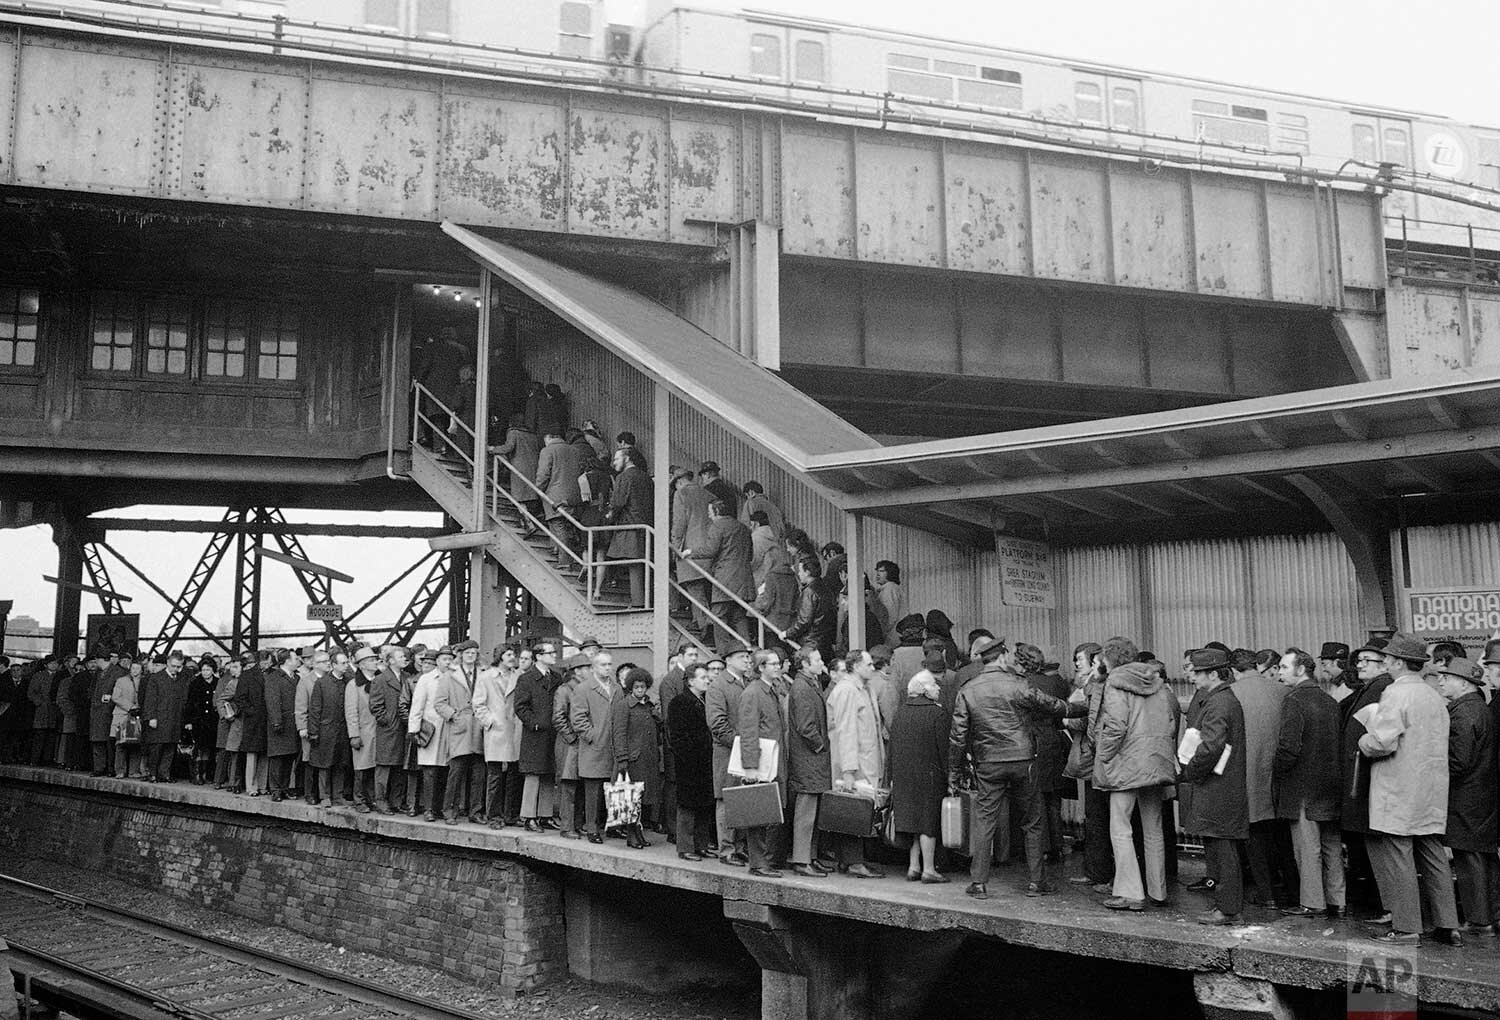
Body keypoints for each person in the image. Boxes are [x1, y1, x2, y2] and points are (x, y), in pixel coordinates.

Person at [948, 637, 1082, 900]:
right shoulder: (1019, 685)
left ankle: (979, 883)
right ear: (1001, 657)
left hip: (988, 763)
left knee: (985, 821)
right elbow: (1056, 707)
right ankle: (1036, 881)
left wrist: (954, 771)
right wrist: (1090, 706)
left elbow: (957, 736)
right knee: (1032, 821)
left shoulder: (968, 689)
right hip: (1023, 760)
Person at [1358, 633, 1462, 946]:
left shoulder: (1395, 693)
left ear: (1400, 662)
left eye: (1388, 658)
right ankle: (1448, 926)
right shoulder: (1433, 695)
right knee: (1433, 854)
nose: (1385, 663)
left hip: (1399, 788)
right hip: (1430, 789)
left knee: (1398, 857)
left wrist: (1364, 741)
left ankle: (1406, 929)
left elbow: (1382, 741)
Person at [1092, 636, 1179, 912]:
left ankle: (1130, 893)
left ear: (1110, 659)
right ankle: (1158, 891)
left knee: (1121, 829)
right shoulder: (1157, 683)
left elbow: (1116, 726)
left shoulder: (1115, 683)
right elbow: (1171, 722)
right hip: (1154, 763)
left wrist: (1105, 755)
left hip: (1126, 765)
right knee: (1153, 830)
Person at [1273, 647, 1346, 918]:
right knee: (1331, 847)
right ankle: (1338, 901)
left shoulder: (1294, 701)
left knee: (1307, 849)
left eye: (1283, 667)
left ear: (1300, 669)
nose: (1279, 673)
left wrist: (1278, 772)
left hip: (1302, 786)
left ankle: (1312, 902)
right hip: (1331, 785)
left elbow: (1288, 747)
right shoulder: (1330, 701)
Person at [1179, 646, 1249, 925]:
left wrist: (1191, 771)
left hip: (1217, 788)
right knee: (1220, 847)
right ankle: (1226, 906)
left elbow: (1210, 747)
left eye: (1197, 673)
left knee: (1223, 849)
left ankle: (1228, 909)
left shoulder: (1218, 703)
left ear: (1213, 674)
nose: (1192, 678)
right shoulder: (1222, 699)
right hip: (1223, 786)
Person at [1433, 657, 1497, 936]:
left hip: (1465, 798)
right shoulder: (1479, 708)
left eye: (1446, 677)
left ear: (1464, 683)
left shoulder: (1463, 713)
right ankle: (1489, 915)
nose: (1441, 681)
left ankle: (1479, 920)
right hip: (1481, 795)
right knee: (1483, 858)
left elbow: (1458, 761)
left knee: (1469, 858)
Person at [1230, 648, 1293, 910]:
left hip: (1247, 777)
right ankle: (1292, 892)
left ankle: (1266, 895)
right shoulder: (1283, 691)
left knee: (1254, 840)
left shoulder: (1231, 694)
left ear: (1234, 671)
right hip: (1280, 778)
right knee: (1283, 840)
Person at [1340, 640, 1395, 918]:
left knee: (1378, 848)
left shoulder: (1381, 689)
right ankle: (1382, 904)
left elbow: (1381, 739)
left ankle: (1387, 906)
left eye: (1367, 660)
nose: (1359, 664)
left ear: (1384, 662)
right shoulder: (1371, 688)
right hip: (1362, 777)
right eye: (1359, 659)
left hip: (1368, 779)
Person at [890, 667, 949, 884]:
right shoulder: (937, 713)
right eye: (934, 684)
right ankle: (929, 869)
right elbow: (944, 749)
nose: (937, 687)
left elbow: (892, 748)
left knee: (913, 822)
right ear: (925, 690)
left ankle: (914, 867)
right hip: (930, 775)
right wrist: (950, 775)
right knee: (928, 822)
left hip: (904, 775)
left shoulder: (901, 712)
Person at [735, 648, 790, 878]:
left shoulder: (772, 689)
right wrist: (750, 766)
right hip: (762, 762)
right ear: (761, 668)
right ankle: (758, 862)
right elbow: (748, 731)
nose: (778, 667)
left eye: (778, 663)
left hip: (774, 759)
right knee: (758, 812)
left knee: (770, 811)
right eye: (773, 664)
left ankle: (766, 860)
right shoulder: (753, 693)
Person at [785, 642, 832, 879]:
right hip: (809, 759)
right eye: (818, 660)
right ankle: (801, 859)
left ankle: (810, 857)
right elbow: (806, 727)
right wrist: (820, 745)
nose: (822, 663)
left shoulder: (809, 684)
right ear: (804, 664)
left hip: (812, 759)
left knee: (812, 811)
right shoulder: (802, 688)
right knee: (806, 811)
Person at [668, 663, 719, 860]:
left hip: (705, 761)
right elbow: (678, 737)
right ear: (690, 681)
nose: (707, 680)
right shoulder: (680, 702)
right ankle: (686, 847)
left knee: (704, 805)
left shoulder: (704, 700)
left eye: (707, 677)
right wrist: (690, 758)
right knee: (688, 805)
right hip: (689, 764)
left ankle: (701, 844)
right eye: (703, 677)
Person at [706, 650, 751, 865]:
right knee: (725, 798)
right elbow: (717, 723)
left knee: (743, 796)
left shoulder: (748, 682)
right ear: (728, 660)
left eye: (748, 656)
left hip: (745, 749)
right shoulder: (718, 686)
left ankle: (740, 846)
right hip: (727, 751)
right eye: (742, 656)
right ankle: (726, 849)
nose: (747, 660)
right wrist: (740, 743)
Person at [571, 648, 619, 845]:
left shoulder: (616, 688)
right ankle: (592, 828)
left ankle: (612, 826)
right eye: (603, 665)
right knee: (593, 792)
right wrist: (594, 736)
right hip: (595, 748)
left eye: (609, 664)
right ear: (593, 668)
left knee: (611, 789)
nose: (608, 668)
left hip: (613, 747)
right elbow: (578, 719)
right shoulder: (583, 689)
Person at [514, 641, 563, 832]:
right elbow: (520, 706)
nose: (554, 655)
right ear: (539, 656)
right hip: (535, 734)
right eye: (550, 653)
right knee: (533, 774)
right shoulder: (526, 679)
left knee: (549, 773)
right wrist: (534, 723)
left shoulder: (556, 678)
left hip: (552, 732)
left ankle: (545, 815)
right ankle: (528, 816)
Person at [473, 646, 524, 830]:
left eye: (513, 654)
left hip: (514, 729)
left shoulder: (518, 676)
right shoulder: (486, 677)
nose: (513, 658)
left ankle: (510, 814)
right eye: (509, 655)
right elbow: (478, 704)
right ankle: (493, 815)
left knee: (513, 774)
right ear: (500, 657)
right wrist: (490, 722)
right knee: (494, 775)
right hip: (497, 730)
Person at [696, 500, 755, 654]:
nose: (708, 515)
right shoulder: (743, 528)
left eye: (710, 512)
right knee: (739, 617)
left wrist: (690, 553)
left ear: (717, 512)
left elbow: (710, 550)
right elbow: (750, 555)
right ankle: (746, 650)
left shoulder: (717, 526)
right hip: (744, 580)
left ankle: (723, 653)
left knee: (719, 617)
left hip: (725, 580)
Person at [437, 640, 485, 826]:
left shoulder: (483, 674)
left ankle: (475, 811)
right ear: (461, 655)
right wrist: (454, 716)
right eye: (467, 653)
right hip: (460, 727)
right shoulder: (450, 676)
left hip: (478, 726)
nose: (471, 655)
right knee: (456, 771)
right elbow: (439, 703)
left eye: (474, 652)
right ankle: (449, 810)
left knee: (478, 772)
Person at [612, 668, 660, 846]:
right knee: (631, 797)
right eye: (637, 686)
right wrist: (622, 758)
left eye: (643, 686)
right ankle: (631, 835)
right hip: (632, 759)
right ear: (631, 687)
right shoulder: (623, 705)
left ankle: (638, 833)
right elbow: (619, 733)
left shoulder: (648, 705)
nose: (640, 689)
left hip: (647, 758)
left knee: (642, 798)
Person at [656, 643, 698, 840]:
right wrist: (676, 744)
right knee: (673, 786)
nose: (694, 658)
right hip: (676, 743)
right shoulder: (670, 681)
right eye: (690, 655)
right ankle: (673, 830)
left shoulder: (691, 677)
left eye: (696, 654)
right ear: (680, 656)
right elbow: (668, 717)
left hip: (689, 742)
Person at [603, 447, 653, 607]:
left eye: (617, 459)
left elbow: (617, 503)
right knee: (642, 566)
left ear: (627, 458)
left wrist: (608, 518)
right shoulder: (645, 477)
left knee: (634, 565)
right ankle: (644, 600)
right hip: (646, 526)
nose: (613, 462)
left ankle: (638, 602)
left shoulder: (624, 477)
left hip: (629, 526)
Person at [409, 646, 454, 822]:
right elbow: (417, 705)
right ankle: (428, 808)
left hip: (450, 728)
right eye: (444, 659)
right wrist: (413, 730)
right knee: (429, 770)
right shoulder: (427, 679)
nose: (448, 662)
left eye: (450, 659)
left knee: (446, 769)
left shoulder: (455, 678)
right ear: (438, 661)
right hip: (431, 729)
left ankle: (441, 807)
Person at [670, 469, 715, 642]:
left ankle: (706, 624)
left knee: (694, 587)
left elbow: (679, 523)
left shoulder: (681, 494)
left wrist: (676, 548)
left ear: (679, 482)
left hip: (690, 548)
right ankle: (700, 621)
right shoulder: (709, 495)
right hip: (710, 549)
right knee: (707, 588)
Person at [367, 645, 412, 814]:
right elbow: (375, 705)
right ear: (391, 660)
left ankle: (396, 800)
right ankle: (381, 801)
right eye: (401, 657)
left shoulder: (407, 677)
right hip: (388, 729)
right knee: (384, 766)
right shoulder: (380, 680)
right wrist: (385, 720)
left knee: (400, 766)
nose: (405, 659)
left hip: (403, 728)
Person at [307, 650, 352, 809]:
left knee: (340, 763)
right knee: (324, 764)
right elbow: (314, 709)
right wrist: (313, 732)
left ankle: (338, 796)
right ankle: (324, 796)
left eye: (347, 662)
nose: (346, 666)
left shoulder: (348, 681)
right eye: (343, 663)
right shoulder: (322, 683)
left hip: (343, 731)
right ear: (333, 665)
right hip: (325, 730)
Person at [553, 652, 590, 839]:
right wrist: (573, 738)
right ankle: (567, 827)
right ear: (577, 671)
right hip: (570, 746)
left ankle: (577, 824)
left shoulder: (584, 689)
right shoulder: (564, 690)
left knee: (580, 785)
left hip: (579, 744)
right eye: (587, 668)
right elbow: (558, 718)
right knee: (568, 786)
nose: (590, 671)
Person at [140, 651, 189, 783]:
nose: (176, 669)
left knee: (170, 746)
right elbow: (150, 699)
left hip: (175, 718)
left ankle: (164, 773)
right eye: (174, 666)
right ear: (167, 663)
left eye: (179, 667)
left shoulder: (181, 678)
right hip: (159, 718)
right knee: (156, 747)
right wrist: (151, 717)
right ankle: (153, 773)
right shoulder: (156, 678)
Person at [535, 428, 584, 556]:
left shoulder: (547, 451)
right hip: (574, 495)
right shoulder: (575, 450)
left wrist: (537, 490)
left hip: (554, 496)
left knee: (558, 524)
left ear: (549, 437)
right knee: (568, 525)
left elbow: (543, 474)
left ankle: (564, 561)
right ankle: (557, 550)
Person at [344, 646, 381, 813]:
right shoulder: (354, 685)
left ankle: (372, 799)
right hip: (363, 732)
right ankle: (359, 800)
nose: (375, 663)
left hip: (379, 731)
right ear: (363, 664)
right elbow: (351, 711)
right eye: (372, 660)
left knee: (374, 767)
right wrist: (354, 735)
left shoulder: (379, 681)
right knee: (361, 768)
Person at [261, 650, 300, 801]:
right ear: (287, 661)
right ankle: (276, 789)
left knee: (289, 756)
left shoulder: (296, 677)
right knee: (278, 757)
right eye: (295, 659)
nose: (298, 661)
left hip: (292, 723)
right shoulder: (274, 677)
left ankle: (284, 787)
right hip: (279, 723)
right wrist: (276, 721)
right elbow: (272, 701)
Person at [784, 555, 835, 666]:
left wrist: (787, 633)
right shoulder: (826, 589)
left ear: (807, 572)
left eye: (800, 571)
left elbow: (804, 620)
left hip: (810, 643)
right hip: (825, 642)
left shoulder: (809, 592)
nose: (799, 574)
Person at [495, 413, 543, 524]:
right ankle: (532, 519)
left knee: (519, 496)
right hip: (533, 467)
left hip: (519, 468)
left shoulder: (513, 432)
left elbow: (508, 448)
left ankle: (528, 522)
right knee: (531, 495)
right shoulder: (532, 435)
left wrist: (492, 449)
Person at [234, 651, 269, 796]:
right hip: (256, 720)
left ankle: (258, 786)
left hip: (262, 719)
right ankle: (254, 786)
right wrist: (252, 711)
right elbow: (239, 698)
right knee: (255, 753)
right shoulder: (249, 675)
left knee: (260, 753)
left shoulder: (252, 675)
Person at [109, 658, 143, 779]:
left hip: (137, 716)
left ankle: (133, 771)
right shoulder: (121, 681)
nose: (135, 670)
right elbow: (115, 697)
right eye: (133, 668)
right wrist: (130, 707)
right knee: (121, 744)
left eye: (138, 668)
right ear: (130, 668)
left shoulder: (144, 681)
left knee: (136, 745)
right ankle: (120, 770)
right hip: (122, 715)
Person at [211, 657, 241, 789]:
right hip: (228, 721)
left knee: (234, 752)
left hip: (234, 721)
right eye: (232, 667)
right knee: (224, 751)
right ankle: (219, 780)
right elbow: (218, 700)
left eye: (235, 667)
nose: (232, 669)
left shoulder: (240, 680)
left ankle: (231, 781)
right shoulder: (226, 680)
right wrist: (225, 715)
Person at [186, 660, 218, 784]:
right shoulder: (195, 683)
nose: (205, 672)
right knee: (198, 748)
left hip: (212, 721)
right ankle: (196, 775)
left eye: (208, 670)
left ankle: (205, 774)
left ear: (213, 670)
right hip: (198, 721)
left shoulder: (217, 683)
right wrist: (188, 721)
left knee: (209, 748)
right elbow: (189, 703)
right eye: (204, 670)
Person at [87, 657, 116, 778]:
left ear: (101, 660)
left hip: (108, 712)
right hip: (97, 711)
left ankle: (109, 768)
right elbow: (91, 691)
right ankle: (99, 767)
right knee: (98, 741)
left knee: (109, 742)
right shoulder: (99, 674)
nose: (95, 663)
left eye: (96, 660)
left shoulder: (116, 672)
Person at [872, 560, 905, 641]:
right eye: (877, 571)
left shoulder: (890, 589)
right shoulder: (890, 588)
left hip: (891, 635)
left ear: (890, 573)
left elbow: (890, 615)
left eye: (882, 571)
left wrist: (881, 633)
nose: (877, 574)